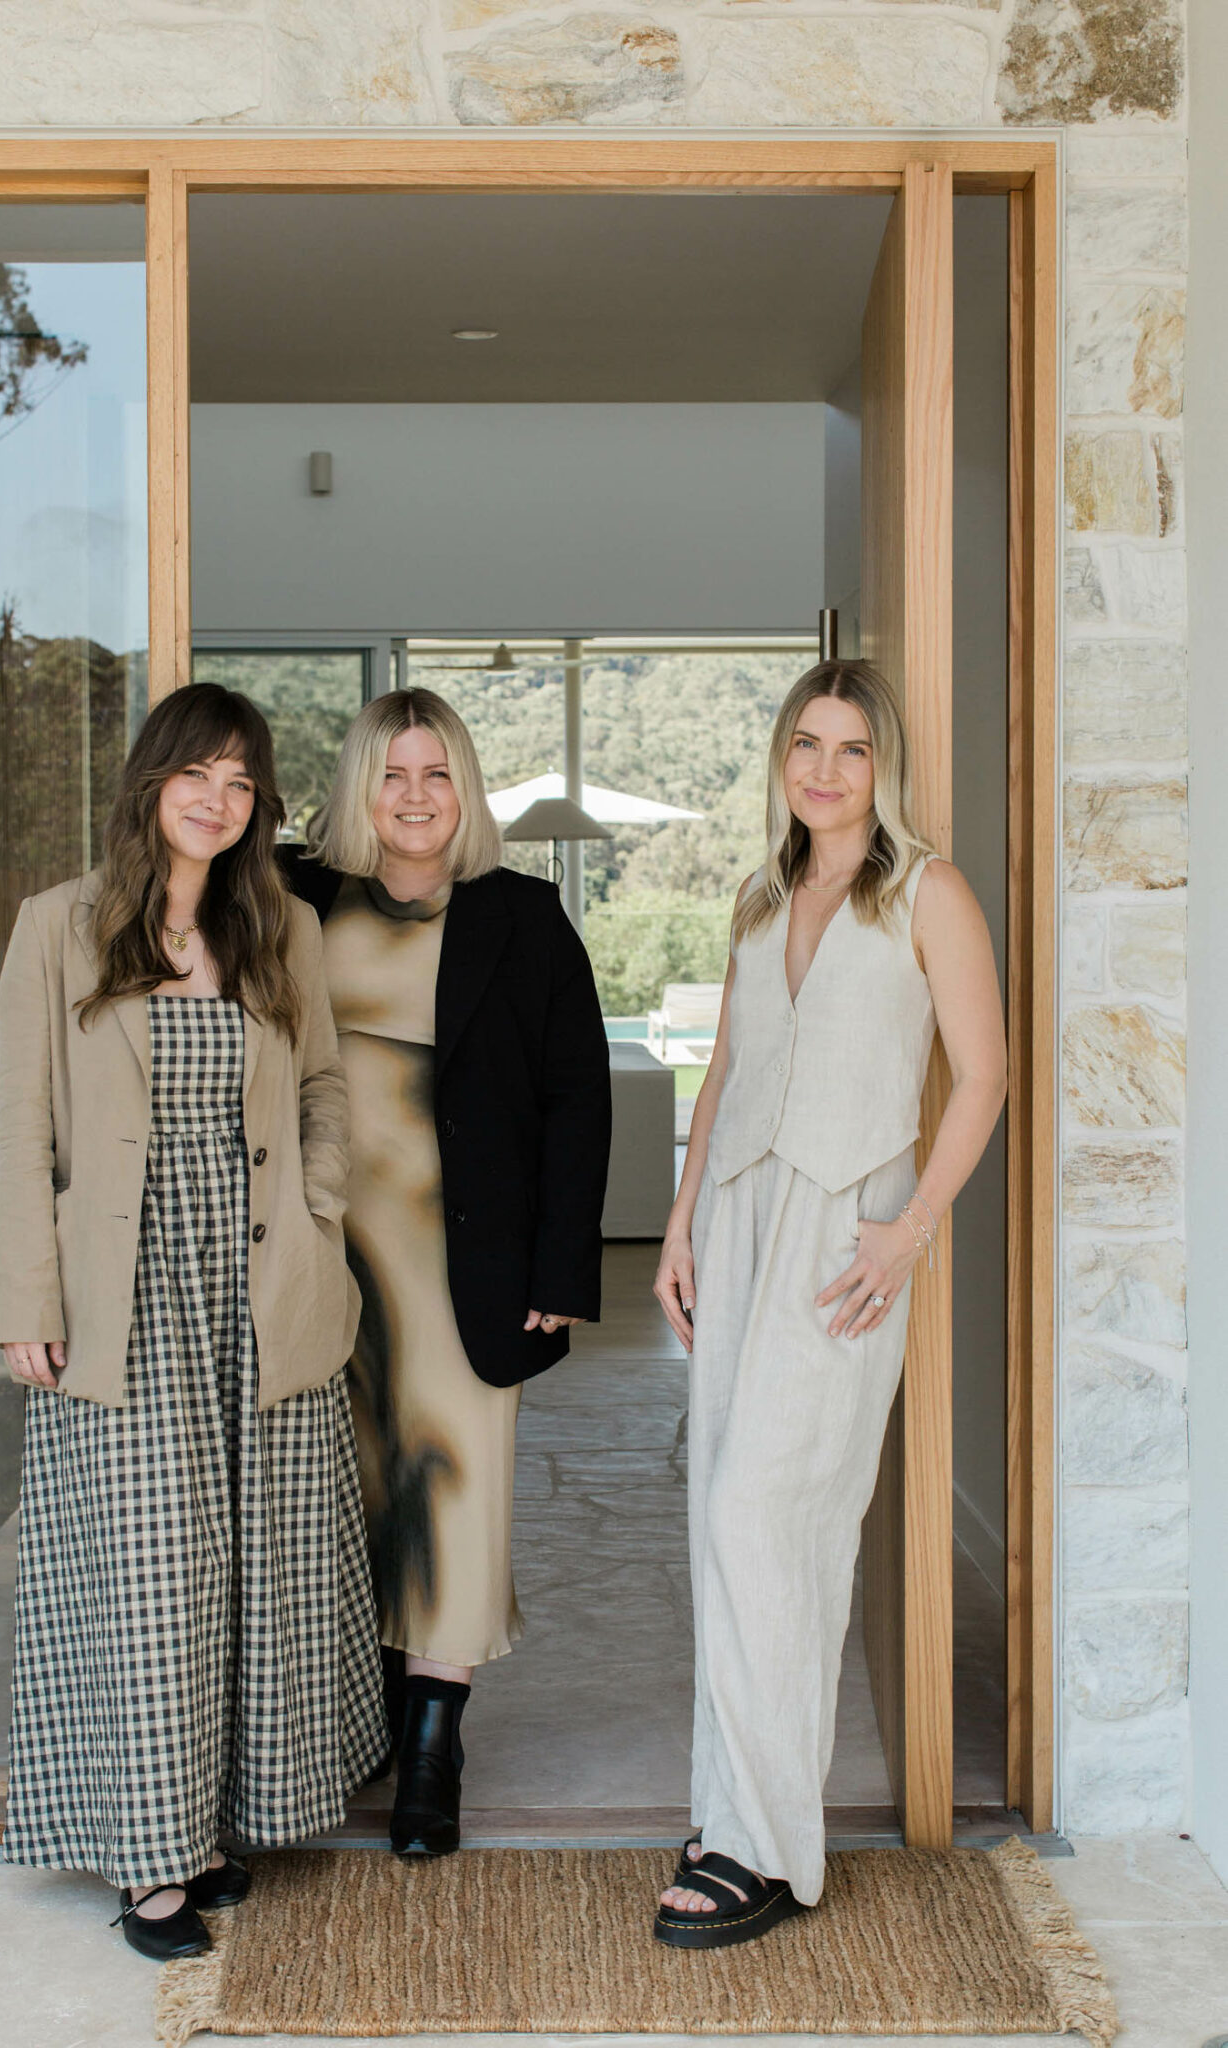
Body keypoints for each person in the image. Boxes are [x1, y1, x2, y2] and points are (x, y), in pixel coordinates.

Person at [0, 682, 386, 1962]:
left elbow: (324, 1081)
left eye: (242, 782)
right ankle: (150, 1861)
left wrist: (321, 1201)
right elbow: (22, 1133)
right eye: (197, 775)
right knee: (152, 1573)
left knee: (257, 1570)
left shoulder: (275, 927)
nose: (219, 801)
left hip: (262, 1293)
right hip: (128, 1300)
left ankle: (219, 1824)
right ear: (150, 780)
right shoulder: (58, 927)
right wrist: (24, 1300)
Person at [651, 659, 1007, 1950]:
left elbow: (983, 1073)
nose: (823, 769)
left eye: (850, 749)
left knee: (771, 1519)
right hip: (740, 1215)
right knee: (718, 1518)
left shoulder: (928, 891)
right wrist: (681, 1224)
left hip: (846, 1229)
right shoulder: (759, 895)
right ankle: (733, 1808)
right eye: (805, 743)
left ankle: (762, 1845)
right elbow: (727, 1070)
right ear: (780, 759)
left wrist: (910, 1230)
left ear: (881, 767)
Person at [280, 686, 611, 1859]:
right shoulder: (291, 896)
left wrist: (563, 1264)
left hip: (463, 1254)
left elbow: (577, 1096)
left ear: (464, 791)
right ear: (359, 788)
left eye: (438, 774)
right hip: (317, 1250)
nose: (416, 797)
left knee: (454, 1488)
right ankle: (362, 1717)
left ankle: (433, 1746)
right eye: (393, 773)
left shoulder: (522, 916)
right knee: (345, 1487)